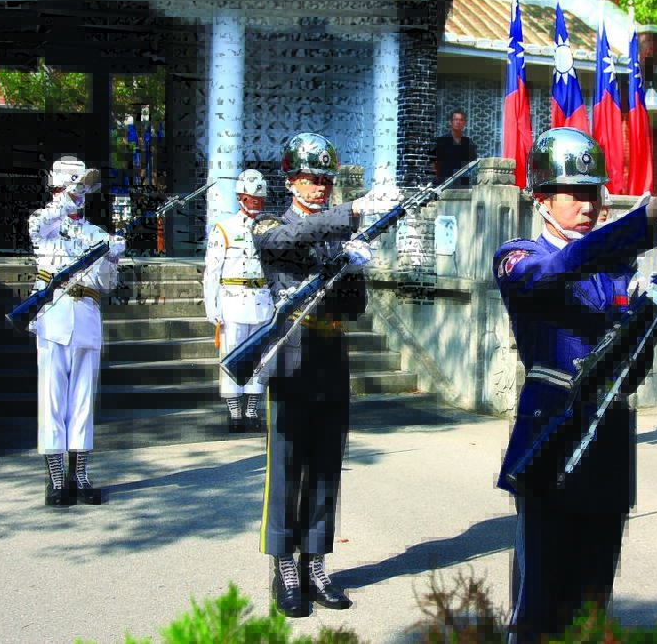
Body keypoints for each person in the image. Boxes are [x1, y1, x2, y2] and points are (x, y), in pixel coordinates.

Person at [493, 125, 657, 639]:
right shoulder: (517, 256)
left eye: (594, 192)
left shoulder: (612, 273)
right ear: (542, 199)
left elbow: (631, 373)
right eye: (574, 193)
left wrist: (649, 323)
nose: (588, 204)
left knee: (595, 588)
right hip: (551, 432)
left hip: (608, 433)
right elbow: (560, 267)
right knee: (540, 593)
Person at [251, 133, 400, 618]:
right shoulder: (273, 223)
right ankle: (284, 567)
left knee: (325, 466)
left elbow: (354, 308)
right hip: (290, 357)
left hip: (330, 354)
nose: (320, 188)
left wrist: (351, 266)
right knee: (286, 467)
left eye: (326, 181)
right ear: (291, 180)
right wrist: (351, 214)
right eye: (312, 179)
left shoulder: (337, 233)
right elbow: (285, 243)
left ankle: (315, 562)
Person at [28, 156, 125, 506]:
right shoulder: (44, 222)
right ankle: (56, 480)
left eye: (83, 189)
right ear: (58, 189)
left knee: (83, 401)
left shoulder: (96, 234)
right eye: (73, 188)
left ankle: (80, 474)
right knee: (53, 399)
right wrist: (63, 199)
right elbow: (36, 229)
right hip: (54, 315)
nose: (80, 196)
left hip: (86, 316)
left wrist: (112, 258)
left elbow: (106, 285)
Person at [203, 169, 274, 433]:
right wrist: (213, 308)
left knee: (261, 359)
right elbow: (212, 273)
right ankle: (235, 413)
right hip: (233, 302)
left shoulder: (271, 227)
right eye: (252, 198)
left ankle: (251, 410)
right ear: (241, 198)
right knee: (232, 357)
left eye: (260, 200)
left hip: (263, 302)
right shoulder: (224, 229)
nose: (257, 203)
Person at [432, 108, 477, 186]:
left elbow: (472, 163)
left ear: (464, 123)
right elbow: (435, 163)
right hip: (443, 181)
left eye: (461, 120)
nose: (458, 122)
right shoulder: (442, 141)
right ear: (450, 122)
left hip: (462, 182)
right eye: (455, 119)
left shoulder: (469, 143)